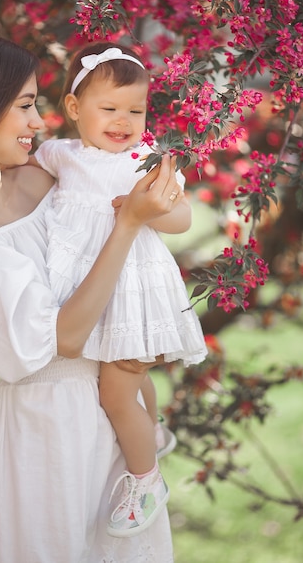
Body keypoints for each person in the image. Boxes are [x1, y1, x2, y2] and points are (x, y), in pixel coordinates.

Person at [0, 31, 181, 562]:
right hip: (43, 433)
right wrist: (128, 222)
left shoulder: (42, 181)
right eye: (25, 106)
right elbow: (66, 337)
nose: (39, 123)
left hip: (116, 415)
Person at [30, 41, 208, 537]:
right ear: (73, 108)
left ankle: (146, 478)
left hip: (133, 292)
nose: (123, 120)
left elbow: (184, 216)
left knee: (116, 391)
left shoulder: (145, 163)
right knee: (130, 375)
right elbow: (19, 181)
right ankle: (152, 432)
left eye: (135, 109)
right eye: (109, 108)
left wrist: (150, 209)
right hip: (89, 292)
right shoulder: (57, 155)